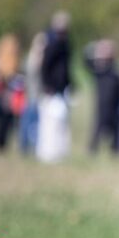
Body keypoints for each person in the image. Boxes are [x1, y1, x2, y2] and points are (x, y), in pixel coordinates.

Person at [37, 10, 73, 163]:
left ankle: (59, 152)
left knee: (61, 122)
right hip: (51, 90)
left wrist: (70, 84)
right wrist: (47, 85)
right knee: (50, 122)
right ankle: (47, 153)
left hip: (61, 89)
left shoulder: (65, 44)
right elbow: (45, 66)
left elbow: (66, 68)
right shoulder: (52, 43)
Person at [84, 39, 119, 154]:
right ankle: (92, 149)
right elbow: (86, 60)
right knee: (98, 126)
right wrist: (96, 50)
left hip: (114, 103)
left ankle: (115, 150)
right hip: (102, 102)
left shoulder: (113, 67)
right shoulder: (99, 67)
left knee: (115, 128)